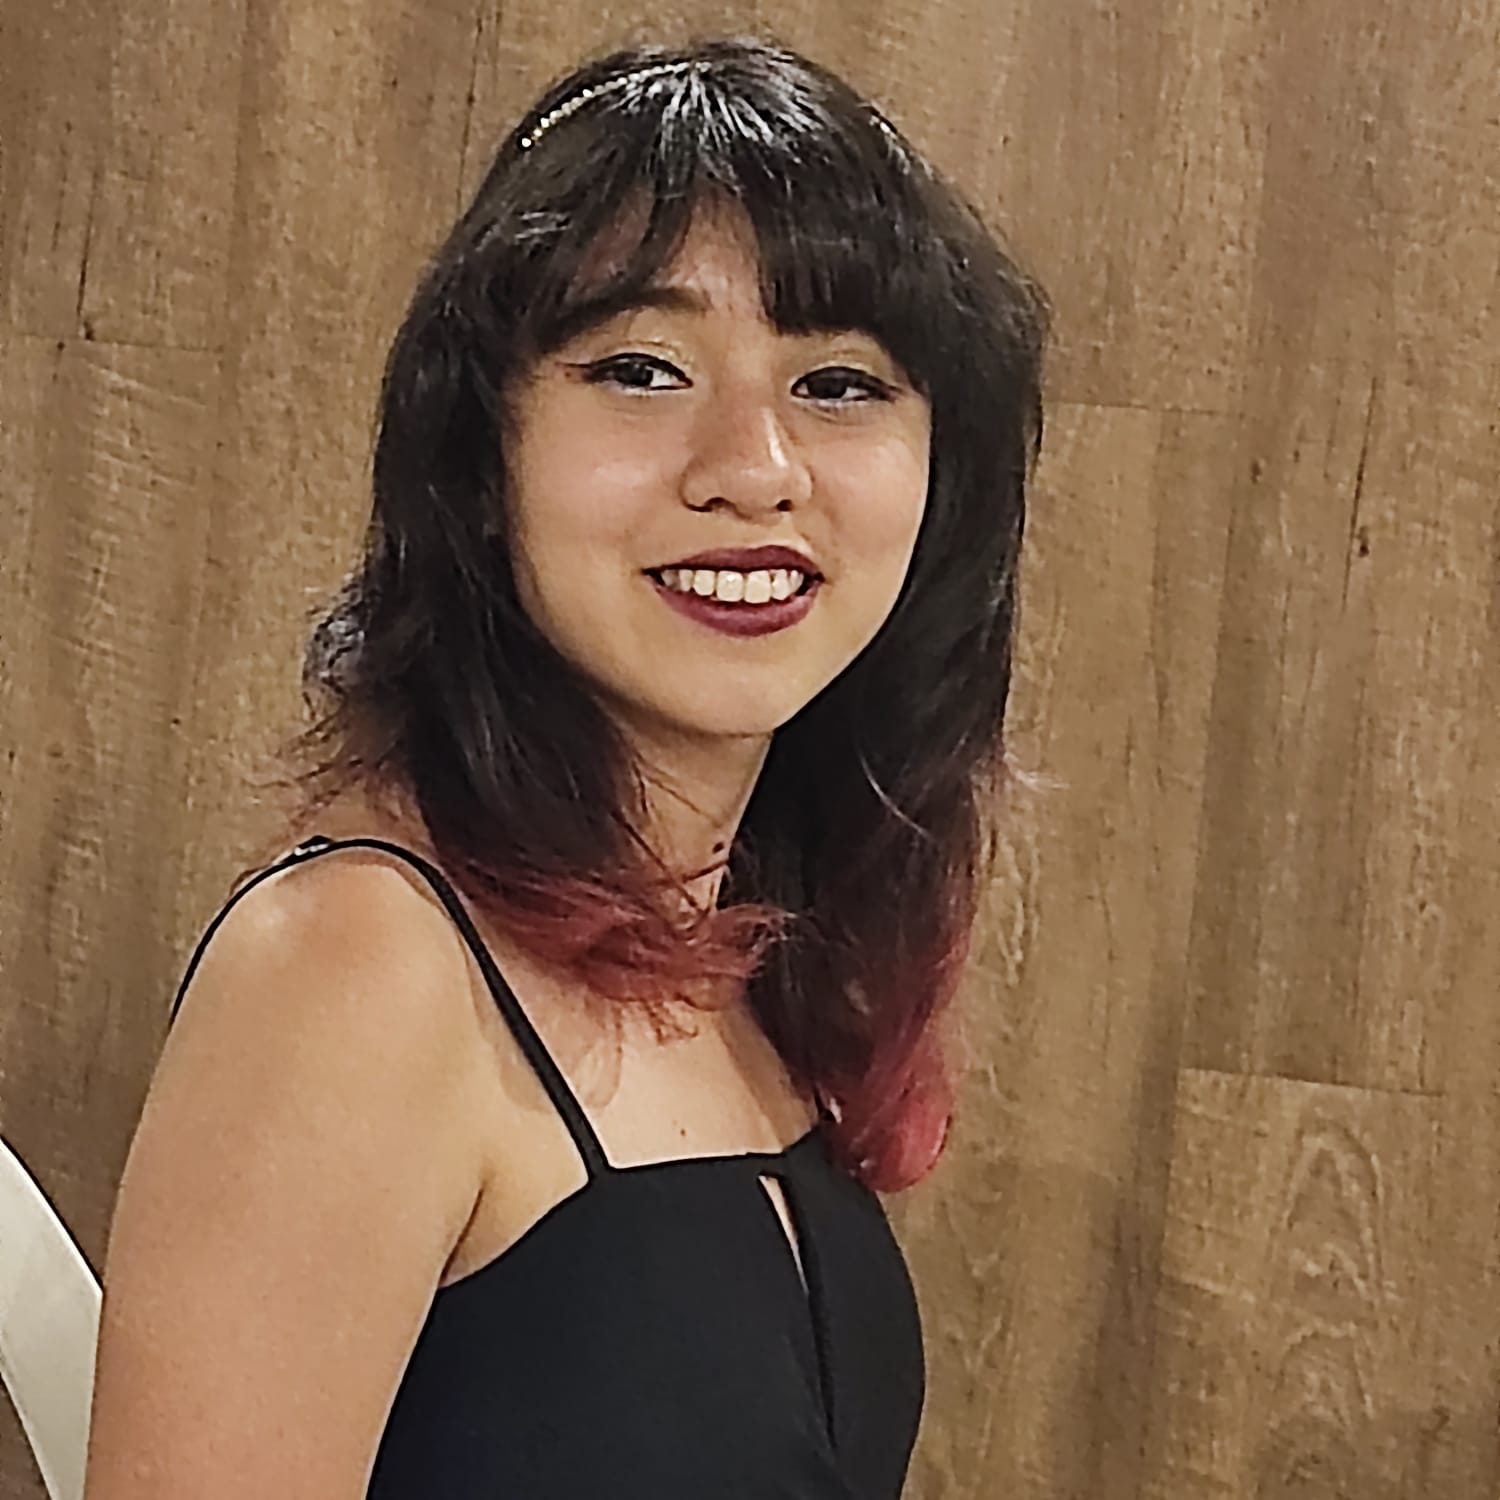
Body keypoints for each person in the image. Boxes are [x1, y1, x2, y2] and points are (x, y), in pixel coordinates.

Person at [83, 32, 1050, 1500]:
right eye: (642, 370)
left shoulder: (750, 960)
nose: (755, 466)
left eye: (840, 382)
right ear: (481, 458)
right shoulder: (357, 970)